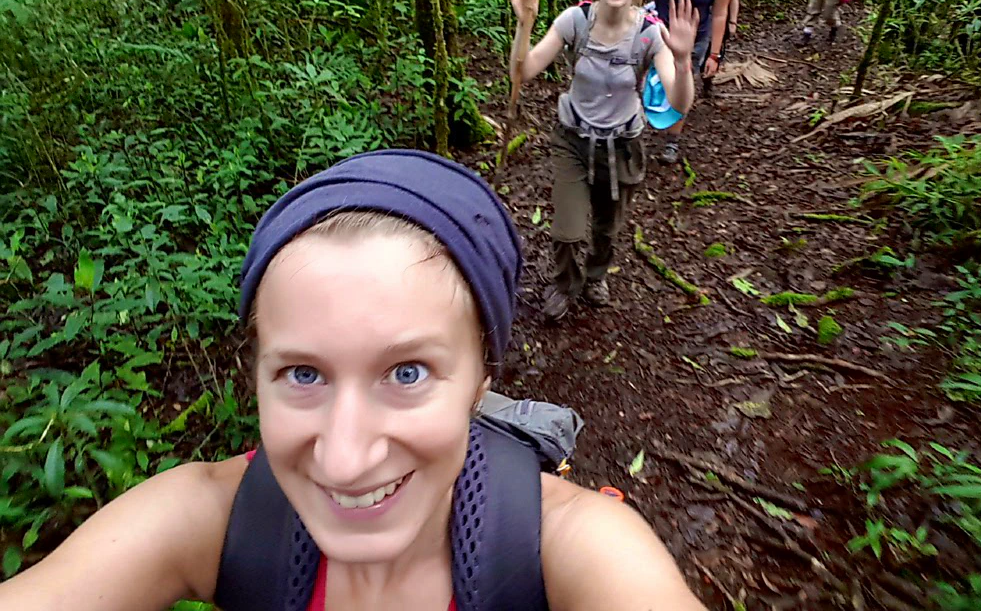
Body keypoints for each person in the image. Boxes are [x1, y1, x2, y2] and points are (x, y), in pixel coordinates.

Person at [0, 149, 708, 611]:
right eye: (302, 373)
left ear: (482, 376)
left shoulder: (574, 552)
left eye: (407, 372)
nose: (343, 456)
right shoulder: (207, 522)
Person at [506, 0, 699, 322]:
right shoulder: (574, 21)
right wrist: (524, 25)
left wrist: (682, 59)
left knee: (607, 229)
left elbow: (679, 104)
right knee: (566, 232)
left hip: (622, 146)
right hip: (572, 141)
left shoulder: (650, 34)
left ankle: (596, 276)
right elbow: (522, 72)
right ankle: (564, 284)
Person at [643, 0, 736, 164]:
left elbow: (720, 12)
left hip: (695, 37)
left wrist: (714, 54)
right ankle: (634, 130)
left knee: (681, 83)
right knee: (645, 80)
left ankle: (672, 141)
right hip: (657, 31)